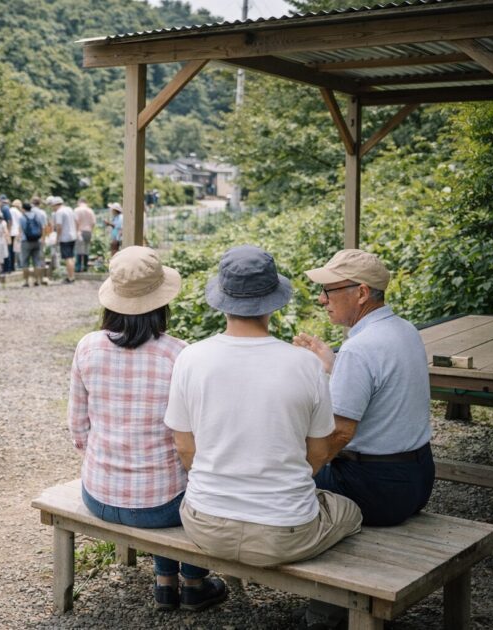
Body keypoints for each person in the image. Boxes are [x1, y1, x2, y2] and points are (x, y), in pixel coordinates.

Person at [164, 245, 362, 571]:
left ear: (221, 301)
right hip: (285, 533)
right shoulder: (306, 365)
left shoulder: (190, 358)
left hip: (205, 523)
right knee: (350, 512)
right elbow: (318, 453)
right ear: (273, 303)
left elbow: (185, 448)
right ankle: (331, 609)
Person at [68, 246, 227, 612]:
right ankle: (192, 583)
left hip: (99, 495)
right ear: (161, 303)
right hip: (160, 506)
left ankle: (164, 584)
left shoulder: (87, 347)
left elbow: (78, 428)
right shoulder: (179, 354)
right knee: (191, 486)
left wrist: (114, 460)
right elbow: (197, 441)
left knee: (168, 481)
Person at [293, 249, 434, 630]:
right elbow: (380, 391)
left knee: (279, 477)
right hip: (418, 478)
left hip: (376, 490)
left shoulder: (359, 348)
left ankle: (329, 599)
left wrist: (301, 471)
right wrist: (331, 364)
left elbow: (340, 432)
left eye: (328, 290)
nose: (321, 299)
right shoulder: (403, 330)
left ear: (360, 293)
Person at [19, 200, 48, 287]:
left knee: (25, 262)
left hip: (26, 241)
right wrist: (43, 238)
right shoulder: (37, 216)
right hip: (37, 241)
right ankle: (37, 281)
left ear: (23, 209)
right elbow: (43, 227)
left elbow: (20, 230)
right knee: (37, 261)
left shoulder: (22, 218)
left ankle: (26, 281)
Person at [50, 196, 77, 284]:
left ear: (55, 205)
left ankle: (70, 277)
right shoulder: (69, 209)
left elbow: (59, 227)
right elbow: (76, 221)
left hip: (65, 237)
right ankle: (72, 275)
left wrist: (57, 238)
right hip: (73, 236)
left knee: (67, 258)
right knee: (71, 257)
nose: (52, 208)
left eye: (52, 206)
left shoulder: (59, 212)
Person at [73, 198, 96, 272]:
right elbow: (93, 223)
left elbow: (76, 221)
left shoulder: (77, 210)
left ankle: (78, 268)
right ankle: (85, 267)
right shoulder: (90, 210)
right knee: (86, 249)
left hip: (80, 231)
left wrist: (76, 231)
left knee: (79, 250)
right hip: (88, 231)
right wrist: (91, 231)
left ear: (79, 202)